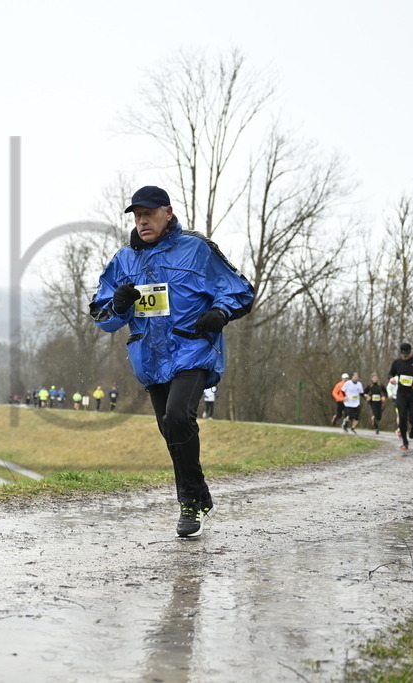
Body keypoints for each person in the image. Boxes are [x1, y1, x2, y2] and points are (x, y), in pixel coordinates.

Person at [90, 185, 255, 537]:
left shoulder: (197, 250)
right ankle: (199, 491)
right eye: (137, 215)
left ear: (168, 212)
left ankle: (189, 504)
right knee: (170, 429)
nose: (142, 221)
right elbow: (102, 318)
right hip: (150, 359)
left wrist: (220, 312)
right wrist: (119, 305)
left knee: (179, 416)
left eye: (149, 213)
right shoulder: (123, 261)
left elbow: (240, 290)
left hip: (192, 351)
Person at [388, 342, 413, 450]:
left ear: (410, 352)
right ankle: (405, 442)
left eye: (407, 354)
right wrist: (391, 379)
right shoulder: (397, 362)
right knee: (402, 417)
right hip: (401, 393)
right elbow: (390, 374)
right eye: (403, 354)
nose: (405, 356)